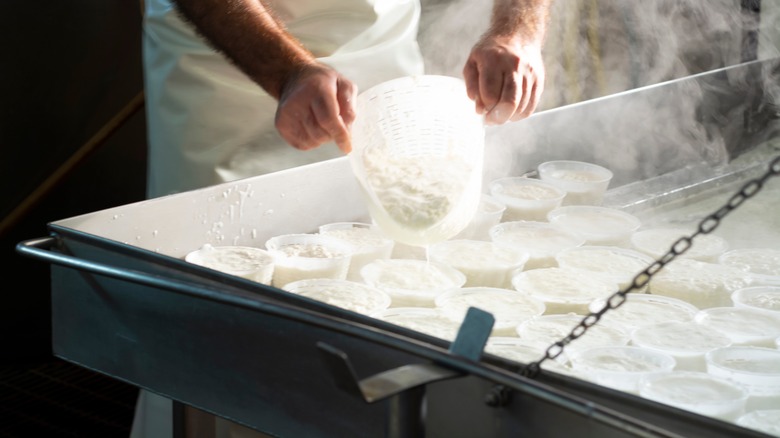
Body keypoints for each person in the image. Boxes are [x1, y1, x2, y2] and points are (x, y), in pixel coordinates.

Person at [134, 0, 551, 436]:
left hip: (377, 50)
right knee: (221, 303)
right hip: (230, 75)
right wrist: (286, 72)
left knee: (383, 289)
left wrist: (517, 29)